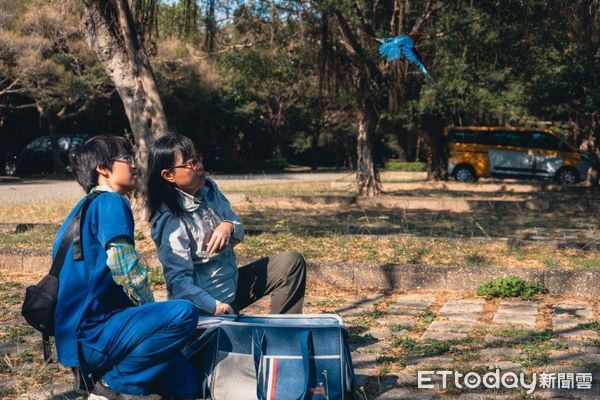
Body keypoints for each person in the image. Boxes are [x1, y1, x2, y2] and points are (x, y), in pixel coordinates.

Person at [54, 135, 199, 399]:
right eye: (127, 159)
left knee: (187, 383)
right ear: (103, 168)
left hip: (75, 341)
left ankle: (105, 376)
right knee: (182, 314)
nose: (135, 166)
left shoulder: (80, 210)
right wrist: (154, 314)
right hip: (94, 335)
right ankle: (111, 389)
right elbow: (125, 266)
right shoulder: (110, 202)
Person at [148, 134, 306, 316]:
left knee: (290, 263)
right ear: (168, 175)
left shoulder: (209, 189)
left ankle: (285, 334)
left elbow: (238, 230)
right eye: (190, 163)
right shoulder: (170, 218)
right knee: (250, 344)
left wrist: (228, 225)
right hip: (206, 308)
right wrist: (214, 307)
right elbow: (178, 282)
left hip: (231, 285)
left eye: (198, 158)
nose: (199, 166)